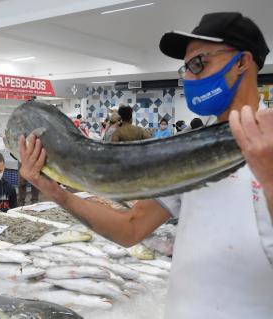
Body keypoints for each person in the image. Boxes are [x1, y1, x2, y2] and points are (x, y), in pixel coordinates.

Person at [18, 12, 272, 319]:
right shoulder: (188, 151)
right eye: (186, 68)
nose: (188, 78)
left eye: (198, 64)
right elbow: (131, 228)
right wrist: (57, 193)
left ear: (243, 62)